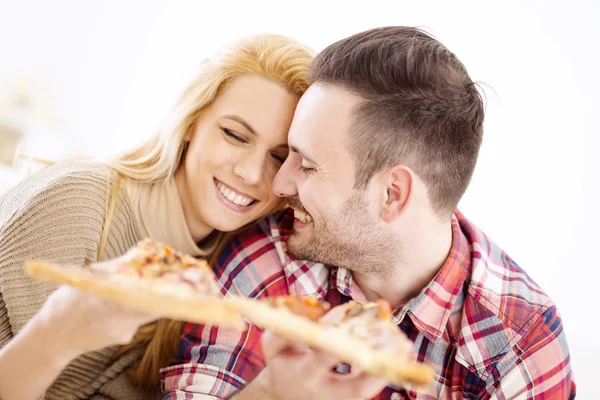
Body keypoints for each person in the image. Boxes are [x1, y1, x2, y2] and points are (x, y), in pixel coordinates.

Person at [161, 27, 576, 399]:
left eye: (306, 164)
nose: (278, 186)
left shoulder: (518, 342)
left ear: (392, 194)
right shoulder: (273, 252)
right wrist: (272, 391)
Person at [0, 34, 314, 400]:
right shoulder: (77, 203)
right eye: (234, 135)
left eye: (278, 157)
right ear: (193, 121)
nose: (249, 172)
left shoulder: (233, 269)